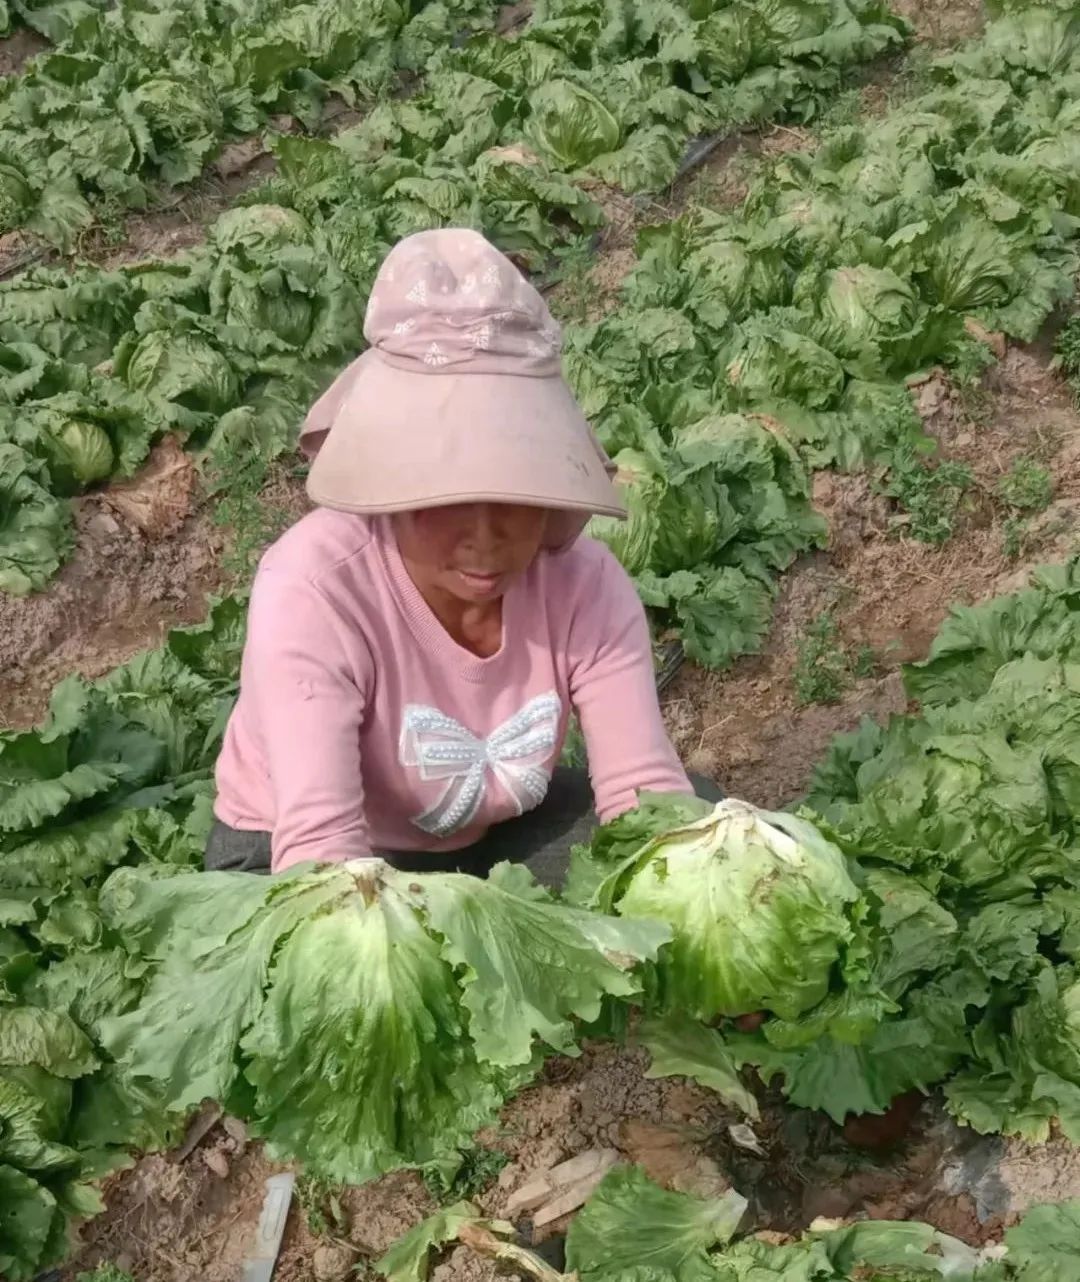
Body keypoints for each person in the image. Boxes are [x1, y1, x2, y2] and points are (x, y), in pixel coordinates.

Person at [206, 228, 722, 887]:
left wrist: (686, 912)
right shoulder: (314, 588)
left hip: (483, 840)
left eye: (513, 488)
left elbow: (642, 793)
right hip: (288, 852)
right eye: (443, 494)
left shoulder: (587, 587)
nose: (484, 536)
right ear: (388, 480)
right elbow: (321, 845)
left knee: (693, 824)